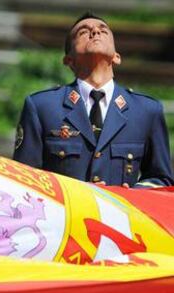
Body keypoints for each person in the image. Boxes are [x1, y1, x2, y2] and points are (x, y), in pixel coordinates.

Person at [13, 12, 173, 188]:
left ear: (116, 57)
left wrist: (130, 195)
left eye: (103, 31)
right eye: (83, 32)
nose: (95, 32)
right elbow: (24, 179)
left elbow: (161, 180)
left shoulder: (146, 110)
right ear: (69, 60)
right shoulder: (42, 107)